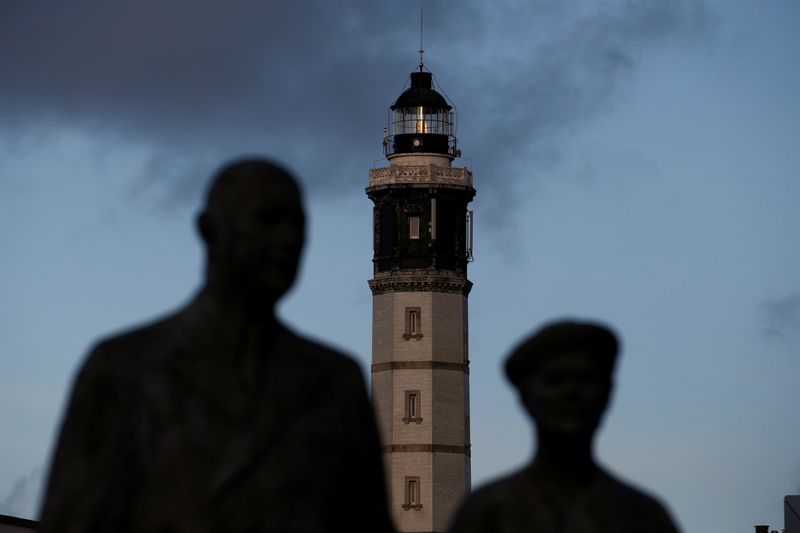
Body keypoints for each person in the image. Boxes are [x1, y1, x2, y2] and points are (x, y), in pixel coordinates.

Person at [40, 158, 395, 533]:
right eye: (269, 219)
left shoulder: (336, 382)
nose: (288, 239)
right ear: (209, 230)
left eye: (297, 222)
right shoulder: (121, 369)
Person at [448, 320, 679, 533]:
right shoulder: (486, 512)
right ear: (527, 397)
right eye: (555, 380)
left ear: (607, 393)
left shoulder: (644, 517)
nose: (571, 393)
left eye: (584, 379)